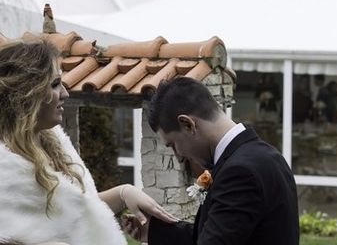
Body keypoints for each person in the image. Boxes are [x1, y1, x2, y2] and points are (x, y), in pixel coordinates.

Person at [0, 40, 176, 245]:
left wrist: (123, 193)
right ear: (25, 95)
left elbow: (70, 215)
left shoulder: (48, 141)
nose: (65, 93)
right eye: (54, 84)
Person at [124, 76, 298, 245]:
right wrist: (155, 232)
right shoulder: (265, 156)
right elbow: (222, 233)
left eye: (173, 145)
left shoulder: (240, 172)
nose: (178, 157)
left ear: (188, 124)